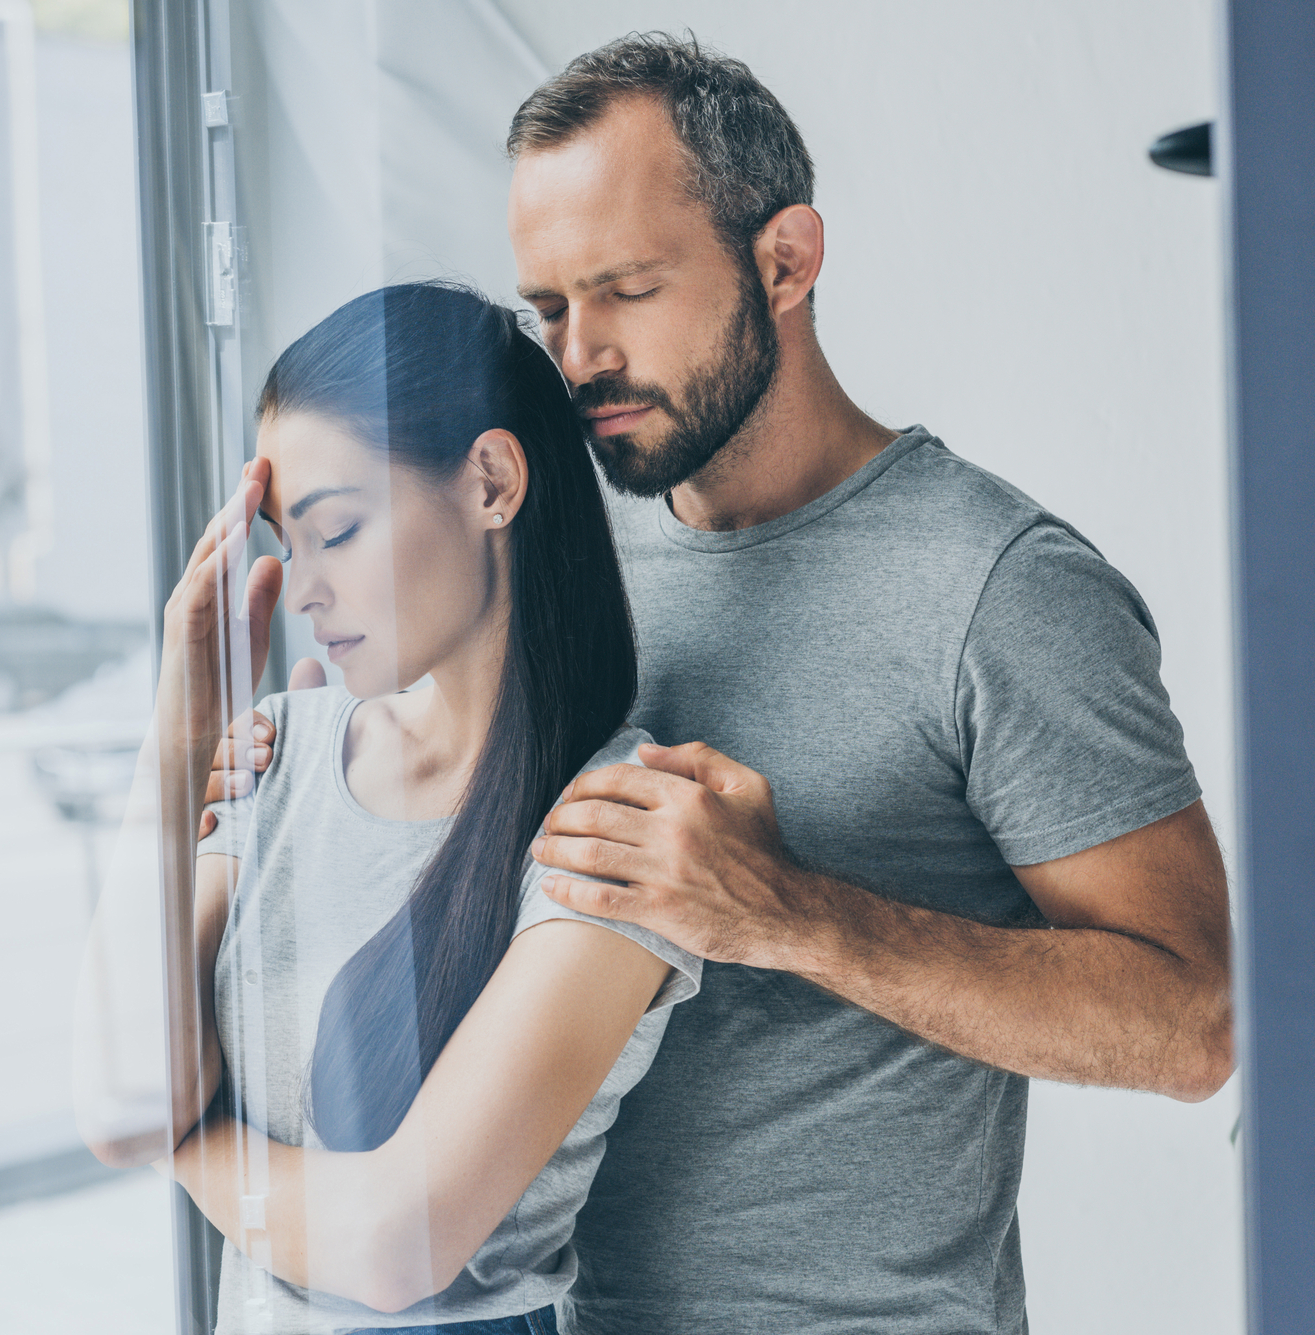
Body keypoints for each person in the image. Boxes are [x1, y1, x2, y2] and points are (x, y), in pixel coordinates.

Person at [206, 33, 1233, 1335]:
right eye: (549, 309)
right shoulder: (557, 542)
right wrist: (295, 755)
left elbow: (1196, 1020)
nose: (577, 357)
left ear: (786, 261)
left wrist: (798, 912)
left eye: (625, 290)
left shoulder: (1001, 589)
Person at [88, 282, 703, 1335]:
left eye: (338, 530)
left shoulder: (618, 824)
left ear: (490, 482)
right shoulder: (280, 753)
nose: (305, 585)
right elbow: (119, 1097)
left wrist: (183, 1137)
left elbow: (392, 1248)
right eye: (289, 540)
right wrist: (175, 738)